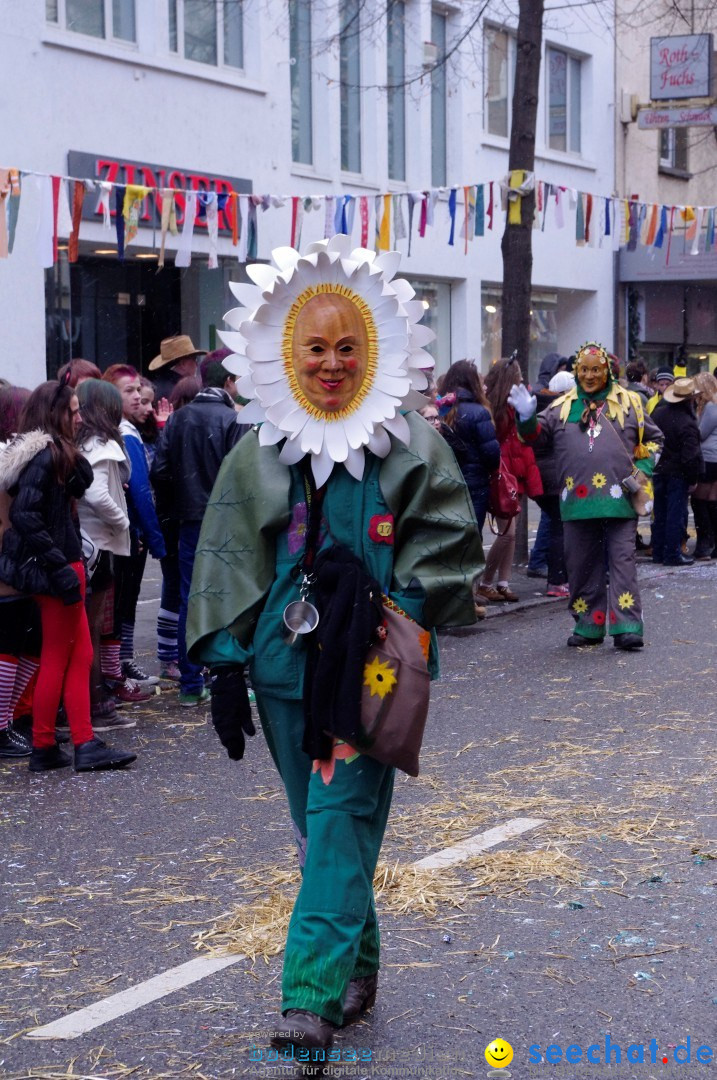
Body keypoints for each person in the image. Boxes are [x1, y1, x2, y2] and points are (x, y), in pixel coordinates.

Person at [187, 238, 482, 1055]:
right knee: (323, 828)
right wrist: (221, 664)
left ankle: (309, 999)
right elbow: (227, 549)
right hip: (281, 670)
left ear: (371, 351)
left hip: (371, 670)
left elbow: (449, 539)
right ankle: (359, 966)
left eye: (346, 347)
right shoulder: (261, 447)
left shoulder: (408, 441)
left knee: (338, 817)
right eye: (314, 348)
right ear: (288, 351)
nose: (330, 364)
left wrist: (405, 612)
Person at [0, 379, 136, 771]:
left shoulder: (50, 454)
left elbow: (36, 512)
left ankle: (49, 743)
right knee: (70, 657)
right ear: (55, 413)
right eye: (73, 411)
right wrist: (59, 565)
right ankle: (82, 742)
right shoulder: (48, 455)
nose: (79, 417)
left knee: (66, 656)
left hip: (59, 568)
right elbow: (26, 515)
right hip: (60, 571)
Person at [510, 341, 663, 650]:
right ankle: (588, 624)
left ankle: (627, 626)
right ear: (576, 372)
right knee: (581, 565)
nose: (590, 375)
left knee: (623, 562)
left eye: (596, 369)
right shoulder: (561, 407)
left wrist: (643, 467)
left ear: (606, 371)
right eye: (584, 370)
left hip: (621, 499)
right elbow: (535, 440)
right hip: (576, 502)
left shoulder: (630, 402)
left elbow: (656, 439)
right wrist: (526, 418)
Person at [150, 364, 248, 705]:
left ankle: (191, 684)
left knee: (192, 599)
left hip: (188, 521)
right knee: (229, 597)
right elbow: (243, 474)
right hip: (227, 520)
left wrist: (170, 512)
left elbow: (159, 471)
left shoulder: (178, 419)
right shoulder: (234, 419)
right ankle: (226, 678)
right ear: (230, 382)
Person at [75, 379, 135, 731]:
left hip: (88, 544)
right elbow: (96, 494)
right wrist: (123, 521)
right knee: (91, 629)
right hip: (97, 546)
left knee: (88, 629)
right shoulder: (100, 444)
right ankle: (97, 705)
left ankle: (92, 704)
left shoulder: (84, 443)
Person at [102, 365, 166, 693]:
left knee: (120, 603)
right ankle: (121, 665)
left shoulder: (117, 429)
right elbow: (139, 490)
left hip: (124, 531)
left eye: (139, 388)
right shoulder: (124, 432)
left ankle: (119, 664)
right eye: (129, 391)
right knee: (124, 601)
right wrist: (154, 537)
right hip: (129, 533)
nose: (139, 395)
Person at [476, 355, 542, 604]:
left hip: (514, 471)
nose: (523, 381)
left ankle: (502, 582)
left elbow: (532, 434)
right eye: (519, 377)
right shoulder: (494, 405)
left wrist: (527, 415)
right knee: (507, 533)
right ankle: (486, 581)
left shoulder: (508, 403)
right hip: (502, 473)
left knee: (509, 532)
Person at [435, 361, 498, 616]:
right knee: (472, 542)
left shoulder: (440, 408)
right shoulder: (478, 412)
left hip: (446, 483)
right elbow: (491, 454)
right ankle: (466, 600)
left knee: (448, 540)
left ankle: (448, 597)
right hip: (474, 485)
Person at [0, 385, 37, 758]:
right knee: (9, 645)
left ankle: (9, 720)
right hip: (9, 562)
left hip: (15, 561)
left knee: (25, 643)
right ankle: (2, 727)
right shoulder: (7, 460)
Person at [532, 370, 574, 598]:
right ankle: (557, 581)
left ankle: (557, 577)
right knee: (560, 529)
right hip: (557, 477)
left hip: (543, 477)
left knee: (555, 526)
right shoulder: (559, 411)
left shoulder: (540, 408)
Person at [651, 377, 702, 566]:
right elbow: (690, 456)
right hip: (677, 473)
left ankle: (658, 551)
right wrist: (693, 478)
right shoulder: (688, 422)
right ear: (690, 400)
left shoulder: (659, 414)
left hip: (659, 469)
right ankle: (672, 554)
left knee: (660, 513)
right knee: (674, 514)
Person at [691, 371, 717, 560]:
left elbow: (701, 433)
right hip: (715, 458)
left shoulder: (710, 407)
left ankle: (704, 544)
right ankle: (712, 544)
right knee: (712, 502)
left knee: (699, 501)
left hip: (708, 458)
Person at [148, 335, 206, 402]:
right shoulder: (185, 391)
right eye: (194, 359)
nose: (197, 364)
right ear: (183, 364)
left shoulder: (155, 386)